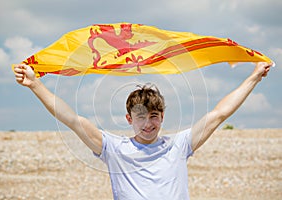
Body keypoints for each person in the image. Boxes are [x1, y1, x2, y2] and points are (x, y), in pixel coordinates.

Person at [14, 62, 272, 200]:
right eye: (141, 117)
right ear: (129, 119)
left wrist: (254, 77)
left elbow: (219, 114)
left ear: (162, 117)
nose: (148, 123)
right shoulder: (114, 149)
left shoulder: (179, 145)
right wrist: (35, 85)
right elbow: (71, 119)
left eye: (154, 116)